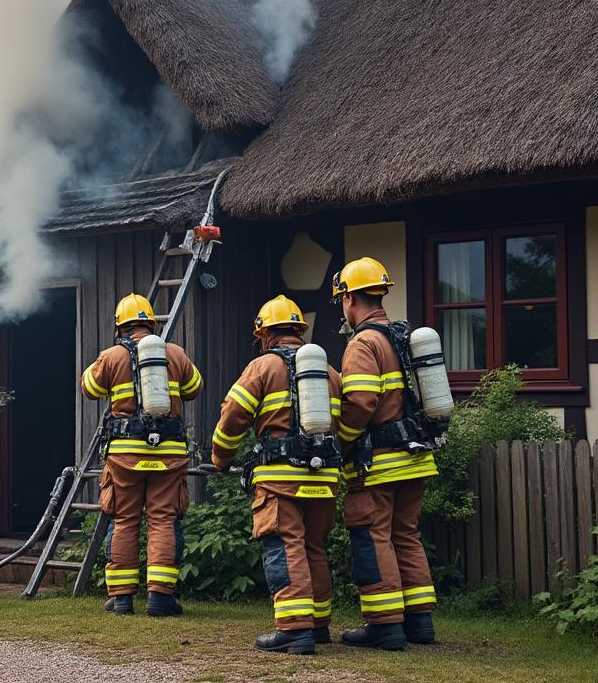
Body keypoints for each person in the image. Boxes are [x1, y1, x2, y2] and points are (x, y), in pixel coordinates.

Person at [210, 295, 343, 655]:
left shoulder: (262, 367)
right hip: (324, 478)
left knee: (285, 546)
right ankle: (317, 626)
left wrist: (220, 457)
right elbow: (343, 425)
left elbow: (233, 416)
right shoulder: (328, 372)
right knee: (313, 546)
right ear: (299, 332)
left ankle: (293, 629)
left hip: (280, 478)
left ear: (265, 334)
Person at [332, 257, 438, 649]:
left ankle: (385, 624)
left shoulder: (363, 342)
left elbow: (359, 401)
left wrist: (341, 443)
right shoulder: (401, 336)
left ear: (350, 298)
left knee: (374, 536)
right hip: (416, 456)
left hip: (379, 462)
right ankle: (419, 622)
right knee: (406, 536)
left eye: (342, 298)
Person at [82, 293, 203, 617]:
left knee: (123, 519)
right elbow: (195, 388)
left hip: (125, 454)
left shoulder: (111, 355)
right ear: (152, 323)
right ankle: (160, 597)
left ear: (120, 327)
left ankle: (121, 597)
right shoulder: (174, 353)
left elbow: (89, 388)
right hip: (169, 452)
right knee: (164, 519)